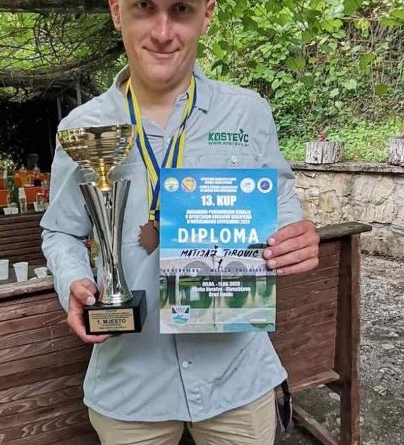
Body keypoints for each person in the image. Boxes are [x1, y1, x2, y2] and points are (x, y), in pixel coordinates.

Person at [40, 0, 320, 444]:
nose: (162, 31)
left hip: (237, 379)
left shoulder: (247, 112)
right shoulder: (83, 128)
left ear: (206, 15)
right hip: (130, 385)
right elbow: (61, 229)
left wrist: (295, 234)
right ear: (116, 11)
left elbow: (280, 198)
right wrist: (72, 279)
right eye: (144, 7)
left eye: (182, 9)